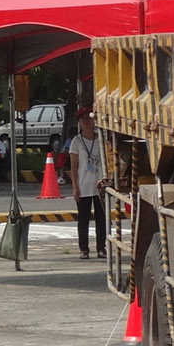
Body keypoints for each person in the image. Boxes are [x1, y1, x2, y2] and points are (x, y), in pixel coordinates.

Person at [69, 106, 105, 259]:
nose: (87, 121)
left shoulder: (101, 139)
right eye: (83, 119)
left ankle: (101, 248)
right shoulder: (76, 142)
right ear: (79, 122)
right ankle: (84, 249)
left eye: (89, 118)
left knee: (101, 219)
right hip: (84, 185)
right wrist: (75, 187)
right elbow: (74, 167)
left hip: (100, 185)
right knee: (83, 219)